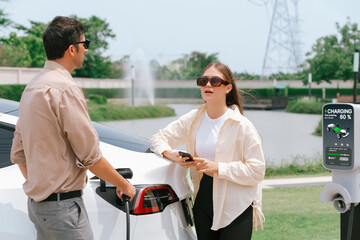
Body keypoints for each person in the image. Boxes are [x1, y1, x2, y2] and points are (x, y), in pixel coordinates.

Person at [10, 16, 136, 240]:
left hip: (39, 208)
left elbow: (19, 154)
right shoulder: (65, 89)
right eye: (84, 44)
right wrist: (124, 185)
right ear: (71, 49)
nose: (86, 50)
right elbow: (90, 157)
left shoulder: (31, 88)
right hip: (63, 209)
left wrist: (42, 189)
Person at [150, 62, 265, 240]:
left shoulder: (242, 125)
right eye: (203, 81)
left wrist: (218, 168)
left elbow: (257, 171)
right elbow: (158, 138)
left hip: (236, 205)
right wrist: (171, 154)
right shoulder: (193, 118)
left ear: (228, 88)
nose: (208, 85)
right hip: (203, 199)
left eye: (215, 81)